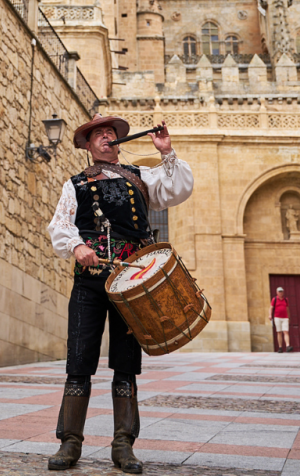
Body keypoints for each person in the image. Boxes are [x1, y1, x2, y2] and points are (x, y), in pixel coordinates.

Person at [46, 114, 193, 473]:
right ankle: (70, 442)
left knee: (126, 363)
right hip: (90, 279)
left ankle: (123, 444)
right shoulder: (75, 184)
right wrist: (77, 246)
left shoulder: (142, 177)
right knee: (79, 359)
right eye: (99, 133)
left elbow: (178, 189)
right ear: (88, 145)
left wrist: (166, 152)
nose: (107, 137)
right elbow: (61, 224)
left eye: (111, 132)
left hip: (133, 282)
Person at [269, 287, 293, 352]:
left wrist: (289, 317)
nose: (280, 293)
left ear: (283, 292)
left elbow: (287, 308)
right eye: (279, 292)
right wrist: (270, 315)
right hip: (277, 317)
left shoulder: (285, 299)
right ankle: (280, 347)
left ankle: (288, 346)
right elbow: (271, 308)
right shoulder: (274, 299)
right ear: (277, 292)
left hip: (285, 317)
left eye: (281, 291)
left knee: (286, 331)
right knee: (279, 332)